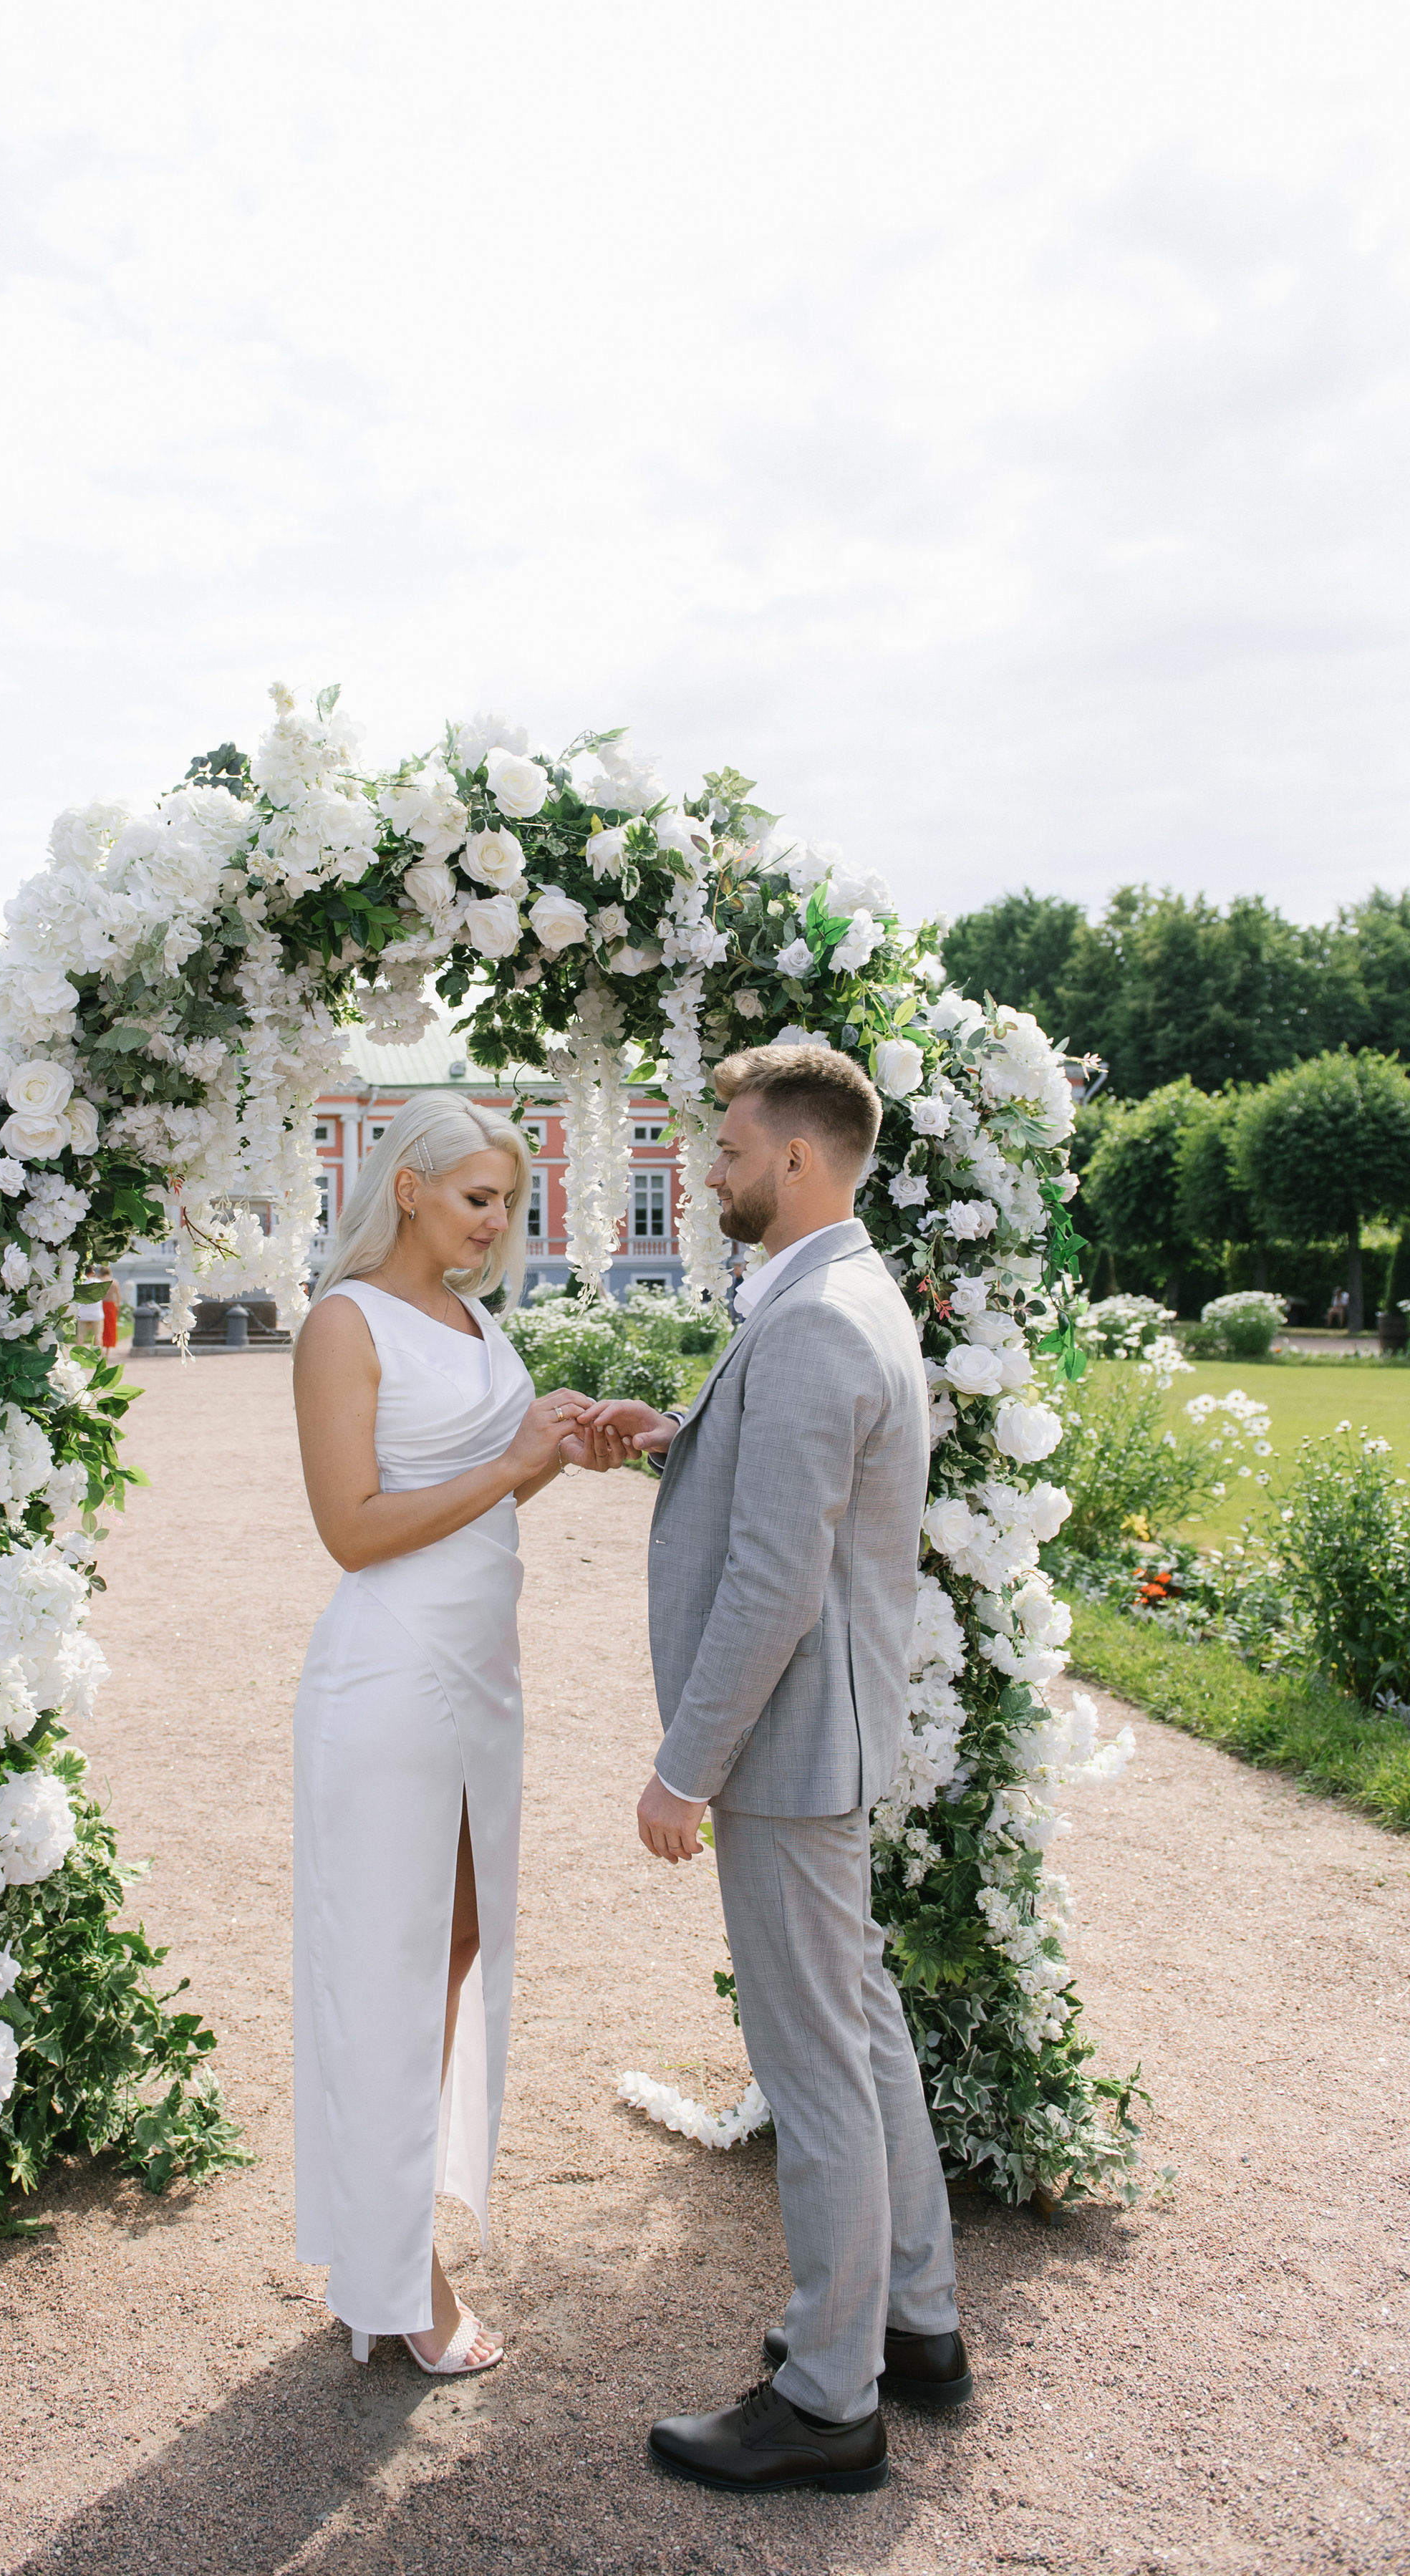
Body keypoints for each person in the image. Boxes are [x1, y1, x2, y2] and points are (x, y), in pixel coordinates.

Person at [583, 1039, 969, 2496]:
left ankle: (826, 2397)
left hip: (790, 1755)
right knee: (859, 2029)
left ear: (798, 1157)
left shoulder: (812, 1318)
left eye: (732, 1149)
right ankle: (914, 2322)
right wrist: (676, 1437)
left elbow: (773, 1582)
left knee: (814, 2071)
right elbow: (800, 1479)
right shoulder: (840, 1292)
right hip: (830, 1740)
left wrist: (684, 1771)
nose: (710, 1171)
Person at [290, 1094, 597, 2378]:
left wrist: (566, 1444)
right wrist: (514, 1464)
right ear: (408, 1187)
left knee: (460, 1947)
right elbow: (354, 1530)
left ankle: (392, 2230)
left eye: (509, 1202)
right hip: (392, 1675)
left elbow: (487, 1480)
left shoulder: (476, 1319)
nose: (495, 1222)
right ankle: (394, 2273)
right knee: (390, 1969)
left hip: (482, 1672)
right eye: (478, 1198)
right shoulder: (342, 1323)